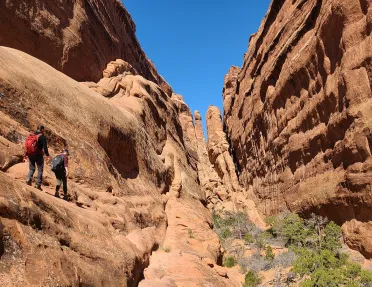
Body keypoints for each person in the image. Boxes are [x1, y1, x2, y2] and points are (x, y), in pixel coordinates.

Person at [24, 125, 50, 190]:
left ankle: (28, 179)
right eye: (44, 130)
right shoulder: (42, 137)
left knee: (32, 168)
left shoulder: (32, 135)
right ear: (42, 130)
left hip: (30, 154)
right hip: (38, 155)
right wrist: (47, 155)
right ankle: (38, 185)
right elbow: (45, 147)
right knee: (40, 169)